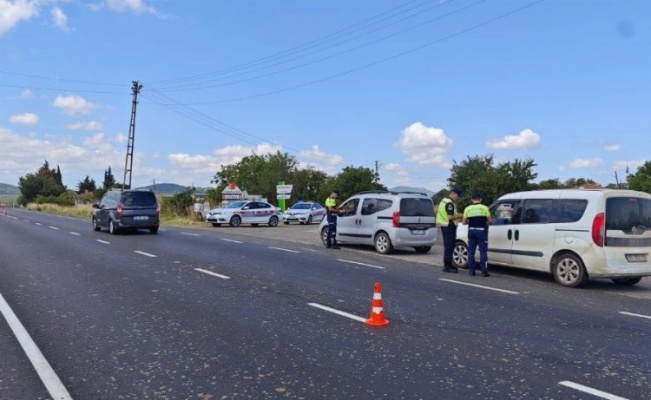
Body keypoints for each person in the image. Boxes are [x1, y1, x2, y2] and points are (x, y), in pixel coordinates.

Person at [462, 192, 493, 277]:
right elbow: (490, 221)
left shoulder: (467, 208)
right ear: (481, 199)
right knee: (483, 252)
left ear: (472, 200)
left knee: (471, 251)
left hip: (471, 231)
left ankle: (471, 271)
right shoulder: (484, 208)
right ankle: (484, 271)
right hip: (481, 231)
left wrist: (470, 221)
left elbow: (464, 222)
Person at [437, 188, 463, 273]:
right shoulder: (449, 203)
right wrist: (460, 215)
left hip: (444, 225)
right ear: (454, 194)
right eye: (458, 197)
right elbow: (450, 217)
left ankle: (448, 263)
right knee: (449, 246)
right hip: (449, 226)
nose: (458, 198)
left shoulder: (444, 200)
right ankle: (447, 265)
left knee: (448, 245)